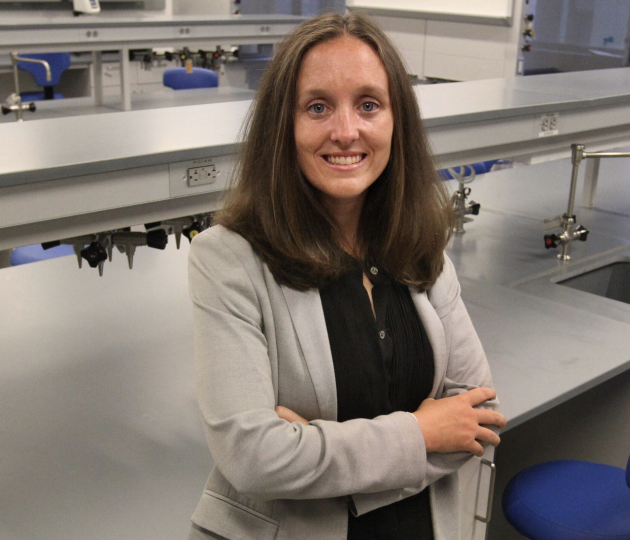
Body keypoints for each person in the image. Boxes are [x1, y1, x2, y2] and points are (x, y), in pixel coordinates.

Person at [185, 12, 506, 540]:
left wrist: (314, 447)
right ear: (282, 126)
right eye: (317, 107)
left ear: (395, 120)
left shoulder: (420, 246)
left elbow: (480, 415)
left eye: (368, 105)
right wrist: (422, 433)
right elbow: (253, 459)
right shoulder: (228, 260)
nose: (345, 131)